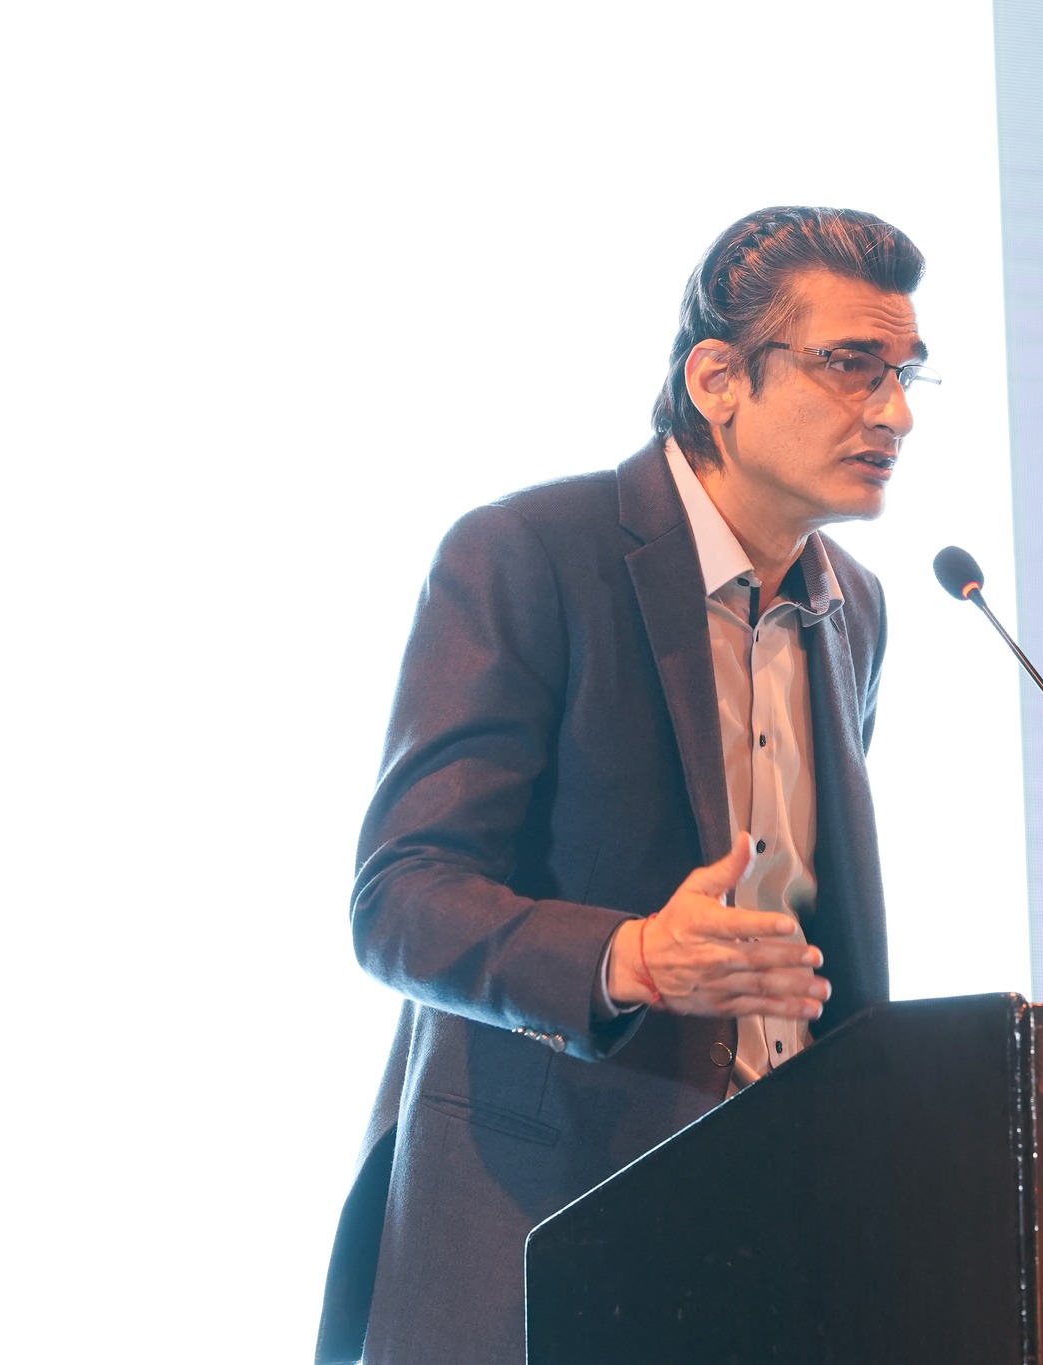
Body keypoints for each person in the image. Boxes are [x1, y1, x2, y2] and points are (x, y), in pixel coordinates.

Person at [314, 207, 932, 1365]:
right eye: (852, 365)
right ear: (717, 379)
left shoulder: (856, 607)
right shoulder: (529, 553)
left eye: (904, 374)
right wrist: (628, 957)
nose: (892, 412)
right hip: (544, 1231)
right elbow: (401, 901)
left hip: (769, 1245)